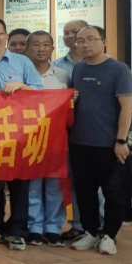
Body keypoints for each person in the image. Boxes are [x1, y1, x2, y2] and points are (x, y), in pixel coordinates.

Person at [0, 18, 43, 251]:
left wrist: (22, 86)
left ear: (6, 36)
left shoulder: (22, 62)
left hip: (17, 132)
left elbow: (40, 93)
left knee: (19, 184)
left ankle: (17, 231)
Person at [68, 26, 132, 255]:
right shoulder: (78, 68)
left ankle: (109, 235)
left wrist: (121, 140)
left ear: (104, 41)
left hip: (108, 144)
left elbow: (127, 107)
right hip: (79, 142)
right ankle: (91, 231)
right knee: (84, 192)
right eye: (80, 40)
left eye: (91, 39)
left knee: (113, 192)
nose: (85, 44)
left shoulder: (119, 70)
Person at [24, 30, 70, 247]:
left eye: (45, 44)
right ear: (27, 49)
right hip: (29, 138)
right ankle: (34, 227)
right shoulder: (21, 74)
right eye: (36, 44)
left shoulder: (63, 76)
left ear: (52, 48)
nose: (41, 49)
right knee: (32, 184)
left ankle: (53, 228)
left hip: (56, 138)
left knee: (54, 184)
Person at [53, 18, 90, 240]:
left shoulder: (101, 63)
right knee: (70, 178)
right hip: (64, 131)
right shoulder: (57, 67)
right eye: (66, 32)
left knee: (93, 181)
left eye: (74, 32)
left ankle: (98, 224)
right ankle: (77, 224)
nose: (70, 36)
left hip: (92, 130)